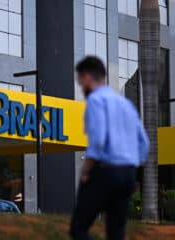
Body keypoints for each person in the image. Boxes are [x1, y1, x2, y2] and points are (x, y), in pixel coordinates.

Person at [69, 56, 150, 240]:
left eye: (81, 82)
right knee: (116, 232)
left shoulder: (96, 101)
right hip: (128, 173)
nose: (81, 87)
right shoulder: (126, 104)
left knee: (79, 229)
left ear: (88, 77)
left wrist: (86, 171)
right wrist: (132, 168)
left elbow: (97, 140)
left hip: (104, 170)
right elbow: (144, 142)